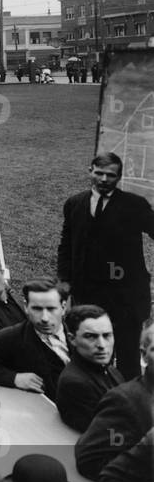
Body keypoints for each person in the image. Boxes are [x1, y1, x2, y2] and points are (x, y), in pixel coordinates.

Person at [58, 152, 154, 379]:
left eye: (110, 175)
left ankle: (130, 402)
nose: (103, 179)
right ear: (89, 171)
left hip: (125, 297)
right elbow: (66, 244)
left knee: (128, 355)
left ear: (119, 177)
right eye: (99, 173)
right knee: (93, 352)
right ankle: (95, 396)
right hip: (88, 294)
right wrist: (64, 280)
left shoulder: (134, 205)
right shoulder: (74, 204)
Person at [0, 277, 70, 398]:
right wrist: (14, 378)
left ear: (63, 308)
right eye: (37, 309)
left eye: (51, 309)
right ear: (26, 307)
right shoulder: (12, 337)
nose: (44, 318)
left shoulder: (81, 328)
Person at [56, 305, 125, 432]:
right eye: (91, 336)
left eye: (107, 335)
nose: (102, 345)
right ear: (72, 339)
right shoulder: (75, 384)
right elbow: (110, 434)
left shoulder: (110, 370)